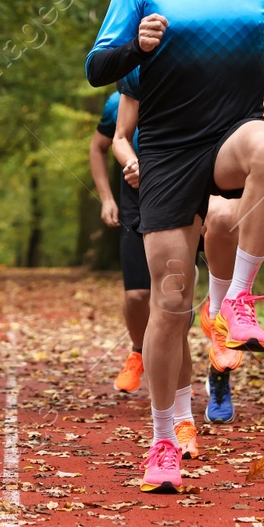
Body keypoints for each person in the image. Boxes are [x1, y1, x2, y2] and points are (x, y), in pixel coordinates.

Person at [85, 0, 264, 495]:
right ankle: (164, 435)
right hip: (164, 150)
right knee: (169, 300)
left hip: (229, 138)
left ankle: (237, 298)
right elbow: (98, 67)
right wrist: (139, 45)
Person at [113, 82, 246, 440]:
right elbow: (116, 138)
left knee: (222, 223)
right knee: (172, 307)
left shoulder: (229, 47)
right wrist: (132, 164)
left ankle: (219, 365)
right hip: (166, 193)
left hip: (216, 187)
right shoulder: (139, 62)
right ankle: (180, 419)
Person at [89, 87, 149, 395]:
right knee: (138, 295)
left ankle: (175, 369)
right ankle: (138, 352)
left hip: (179, 198)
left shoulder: (187, 84)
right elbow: (98, 147)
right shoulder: (119, 102)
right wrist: (106, 198)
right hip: (134, 204)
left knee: (177, 295)